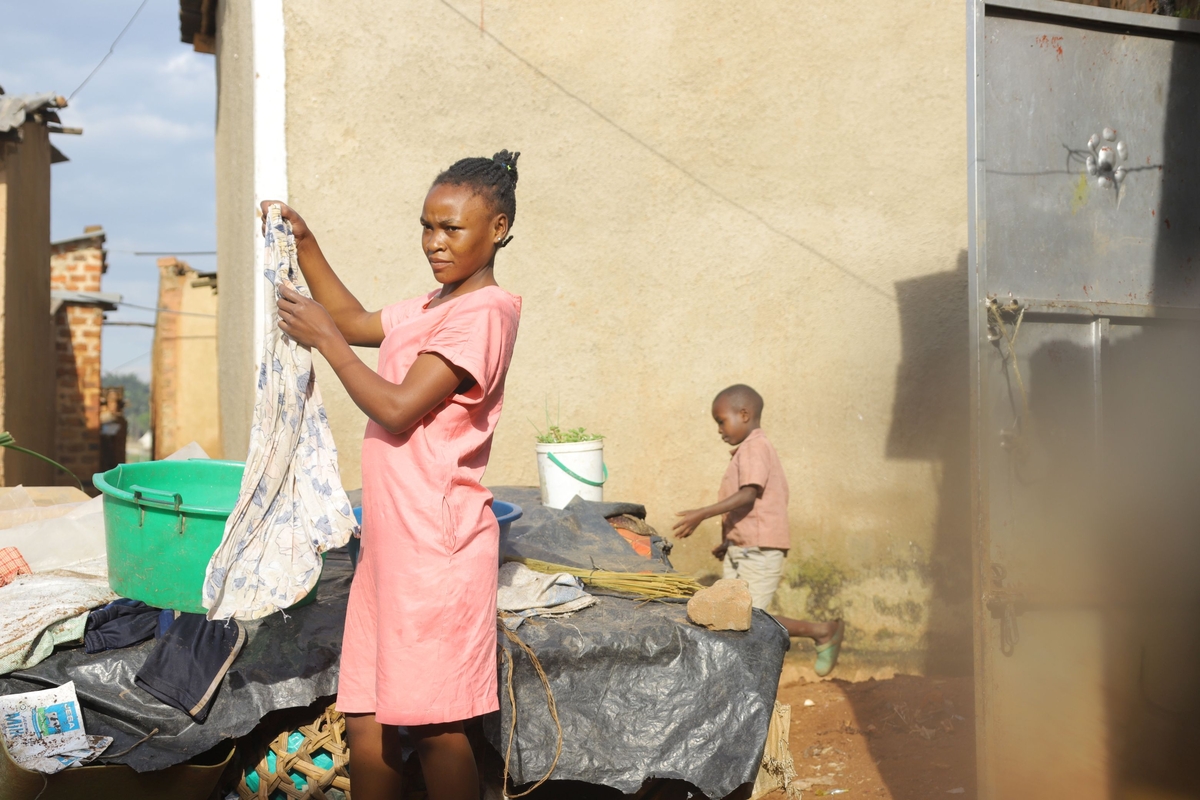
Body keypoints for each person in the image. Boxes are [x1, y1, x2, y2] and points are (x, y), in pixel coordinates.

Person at [260, 150, 523, 800]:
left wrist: (327, 344)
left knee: (434, 723)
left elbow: (398, 408)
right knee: (368, 712)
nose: (435, 242)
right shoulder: (437, 304)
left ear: (499, 229)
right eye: (427, 226)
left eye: (452, 229)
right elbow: (355, 321)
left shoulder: (483, 314)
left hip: (437, 546)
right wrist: (309, 245)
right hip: (391, 543)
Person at [673, 384, 844, 676]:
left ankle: (822, 631)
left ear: (744, 414)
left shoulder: (755, 447)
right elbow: (749, 510)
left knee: (751, 617)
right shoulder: (746, 451)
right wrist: (729, 541)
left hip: (760, 552)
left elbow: (749, 495)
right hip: (744, 549)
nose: (719, 430)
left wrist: (702, 514)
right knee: (730, 616)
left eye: (721, 421)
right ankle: (734, 680)